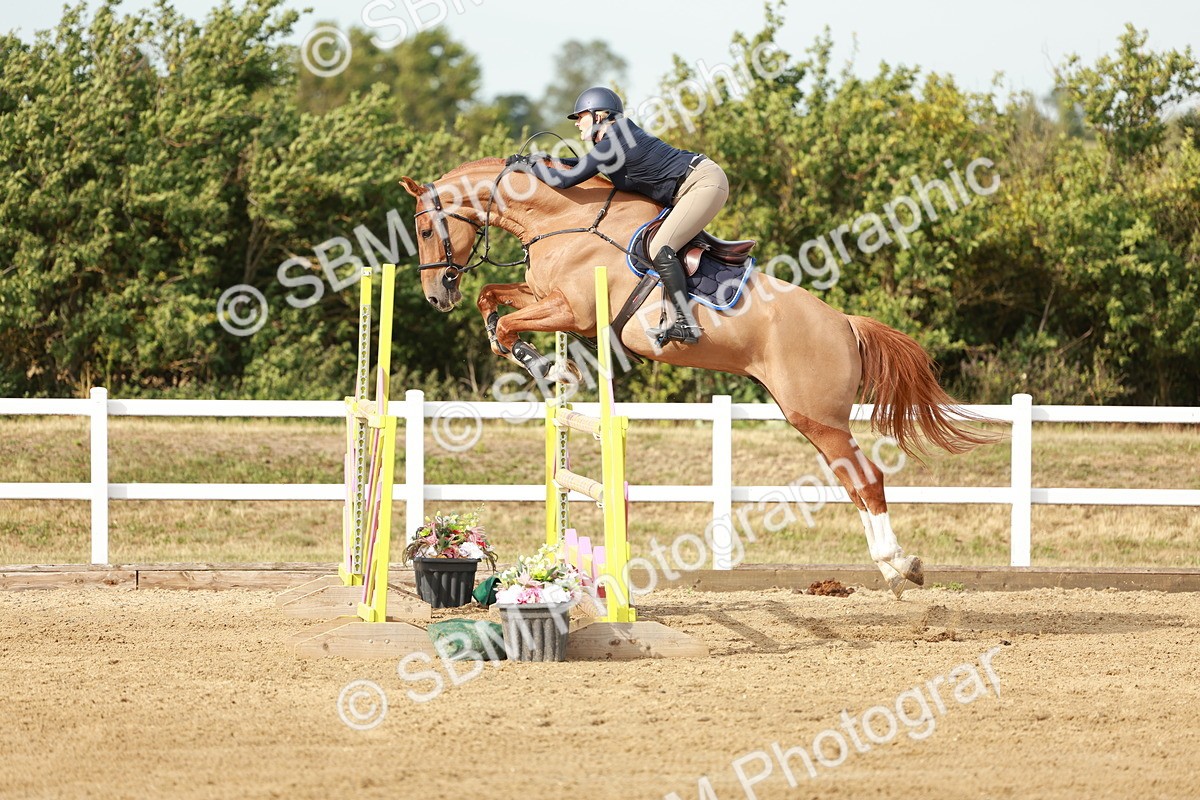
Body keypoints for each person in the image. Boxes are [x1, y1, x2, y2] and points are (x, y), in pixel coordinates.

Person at [508, 87, 729, 345]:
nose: (578, 123)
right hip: (692, 185)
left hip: (702, 183)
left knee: (660, 246)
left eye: (581, 116)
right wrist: (545, 160)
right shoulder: (615, 138)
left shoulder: (616, 138)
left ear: (600, 115)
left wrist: (528, 167)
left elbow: (568, 179)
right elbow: (583, 165)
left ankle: (685, 323)